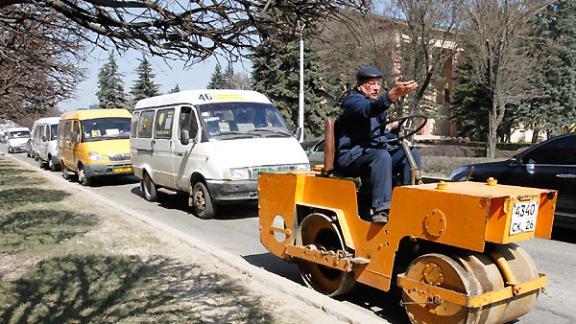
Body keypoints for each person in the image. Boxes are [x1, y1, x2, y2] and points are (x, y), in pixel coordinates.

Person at [334, 67, 420, 223]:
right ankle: (381, 209)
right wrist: (392, 96)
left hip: (370, 152)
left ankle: (409, 200)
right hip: (352, 155)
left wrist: (396, 137)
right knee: (381, 156)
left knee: (409, 154)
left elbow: (378, 134)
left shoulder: (375, 104)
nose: (376, 87)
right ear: (360, 85)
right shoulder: (353, 101)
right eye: (371, 83)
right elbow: (369, 110)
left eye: (378, 84)